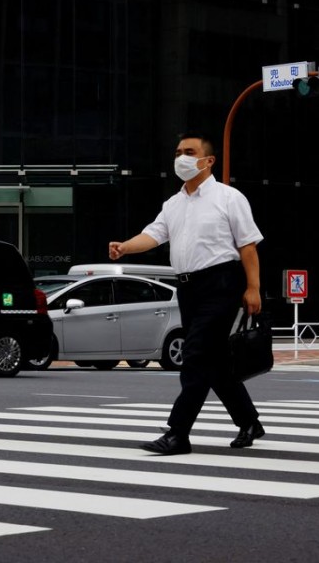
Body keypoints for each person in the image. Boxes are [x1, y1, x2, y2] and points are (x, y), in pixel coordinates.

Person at [108, 131, 265, 455]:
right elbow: (152, 235)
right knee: (216, 363)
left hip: (221, 283)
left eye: (189, 151)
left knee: (195, 354)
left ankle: (178, 433)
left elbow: (247, 246)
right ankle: (249, 422)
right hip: (188, 287)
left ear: (208, 161)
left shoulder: (228, 197)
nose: (181, 157)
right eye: (178, 151)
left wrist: (253, 288)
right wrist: (124, 247)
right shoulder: (173, 204)